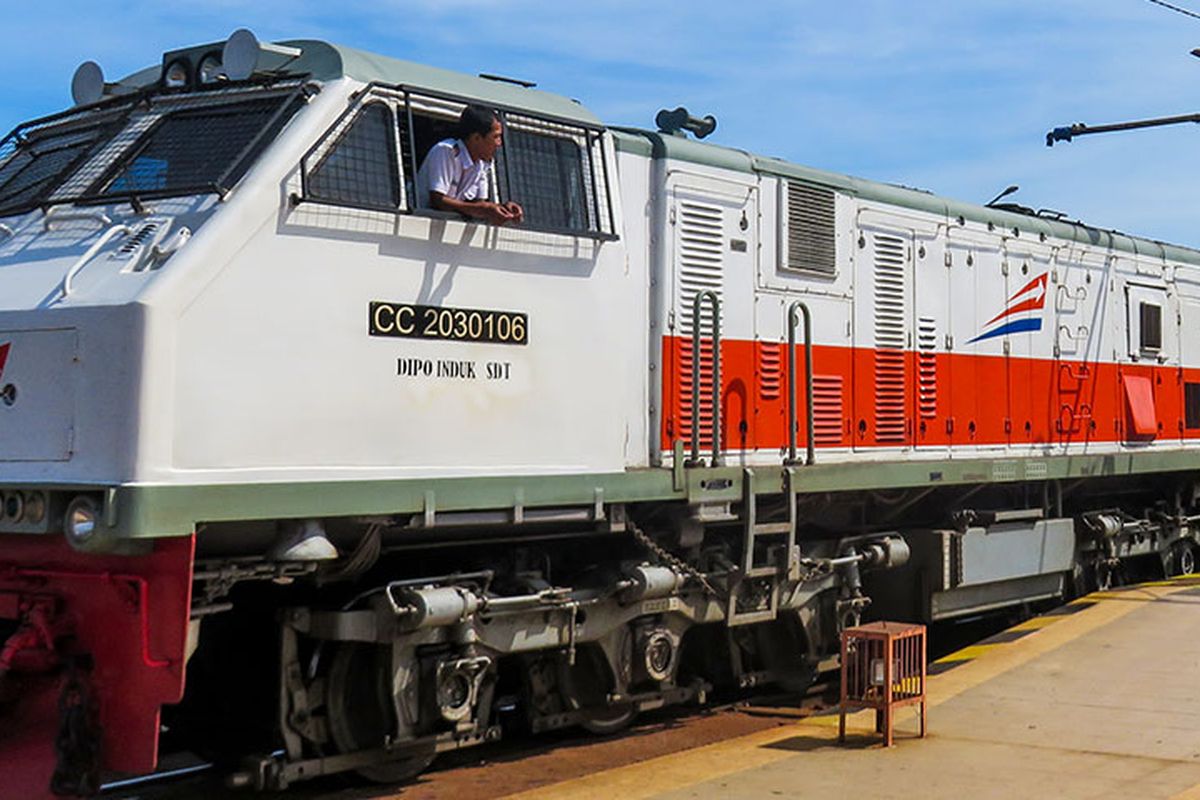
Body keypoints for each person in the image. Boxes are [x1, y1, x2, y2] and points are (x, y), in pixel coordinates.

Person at [415, 105, 524, 225]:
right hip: (418, 223)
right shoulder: (446, 151)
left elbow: (480, 203)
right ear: (476, 138)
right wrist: (486, 210)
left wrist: (503, 209)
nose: (499, 143)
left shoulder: (482, 164)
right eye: (496, 137)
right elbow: (438, 201)